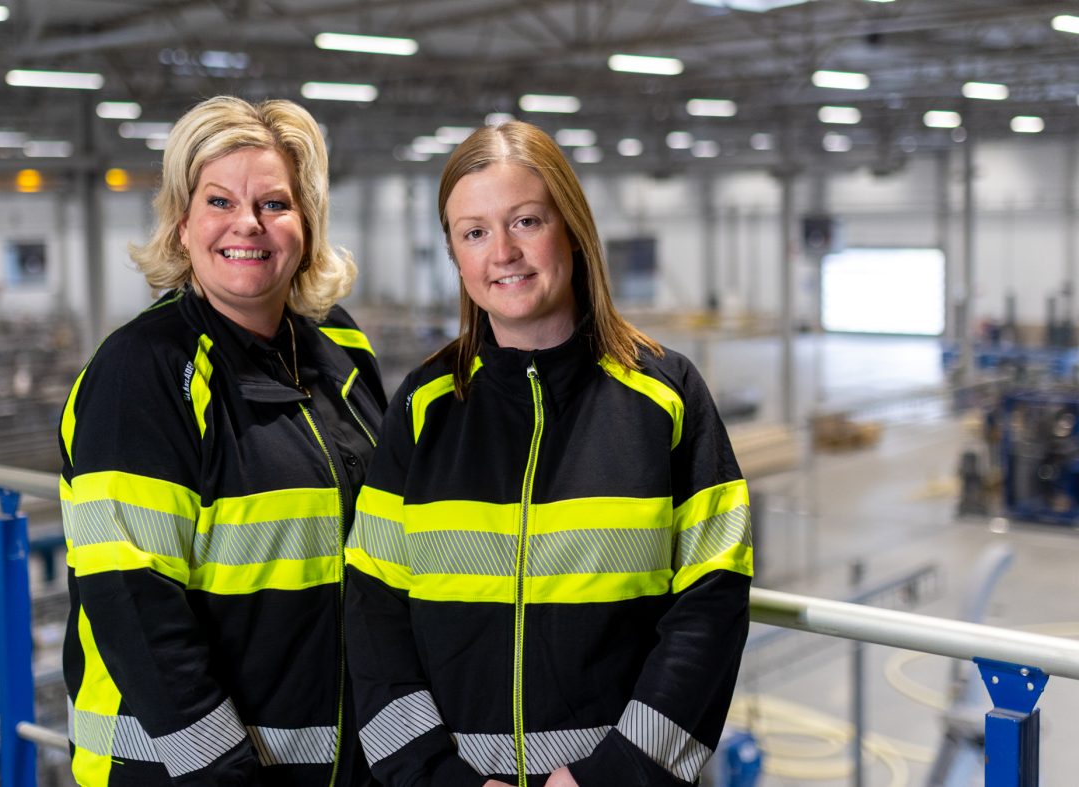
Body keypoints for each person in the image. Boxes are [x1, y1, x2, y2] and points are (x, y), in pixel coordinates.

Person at [344, 121, 752, 787]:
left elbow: (711, 605)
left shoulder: (667, 398)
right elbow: (372, 612)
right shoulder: (423, 408)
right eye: (474, 232)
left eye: (525, 220)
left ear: (573, 227)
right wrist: (437, 777)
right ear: (455, 254)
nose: (502, 251)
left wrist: (611, 775)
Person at [58, 95, 386, 786]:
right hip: (181, 771)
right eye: (218, 201)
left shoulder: (340, 347)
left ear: (307, 223)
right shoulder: (142, 373)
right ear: (182, 223)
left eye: (274, 203)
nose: (248, 224)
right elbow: (133, 602)